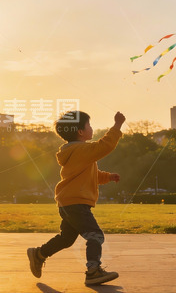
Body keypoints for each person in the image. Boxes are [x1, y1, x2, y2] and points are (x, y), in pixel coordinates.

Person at [27, 111, 125, 286]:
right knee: (95, 235)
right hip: (76, 203)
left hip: (69, 202)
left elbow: (90, 174)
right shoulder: (81, 149)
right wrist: (117, 125)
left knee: (66, 238)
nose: (91, 128)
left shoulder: (75, 151)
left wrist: (107, 177)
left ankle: (39, 254)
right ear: (80, 131)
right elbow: (105, 146)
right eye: (89, 125)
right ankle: (93, 271)